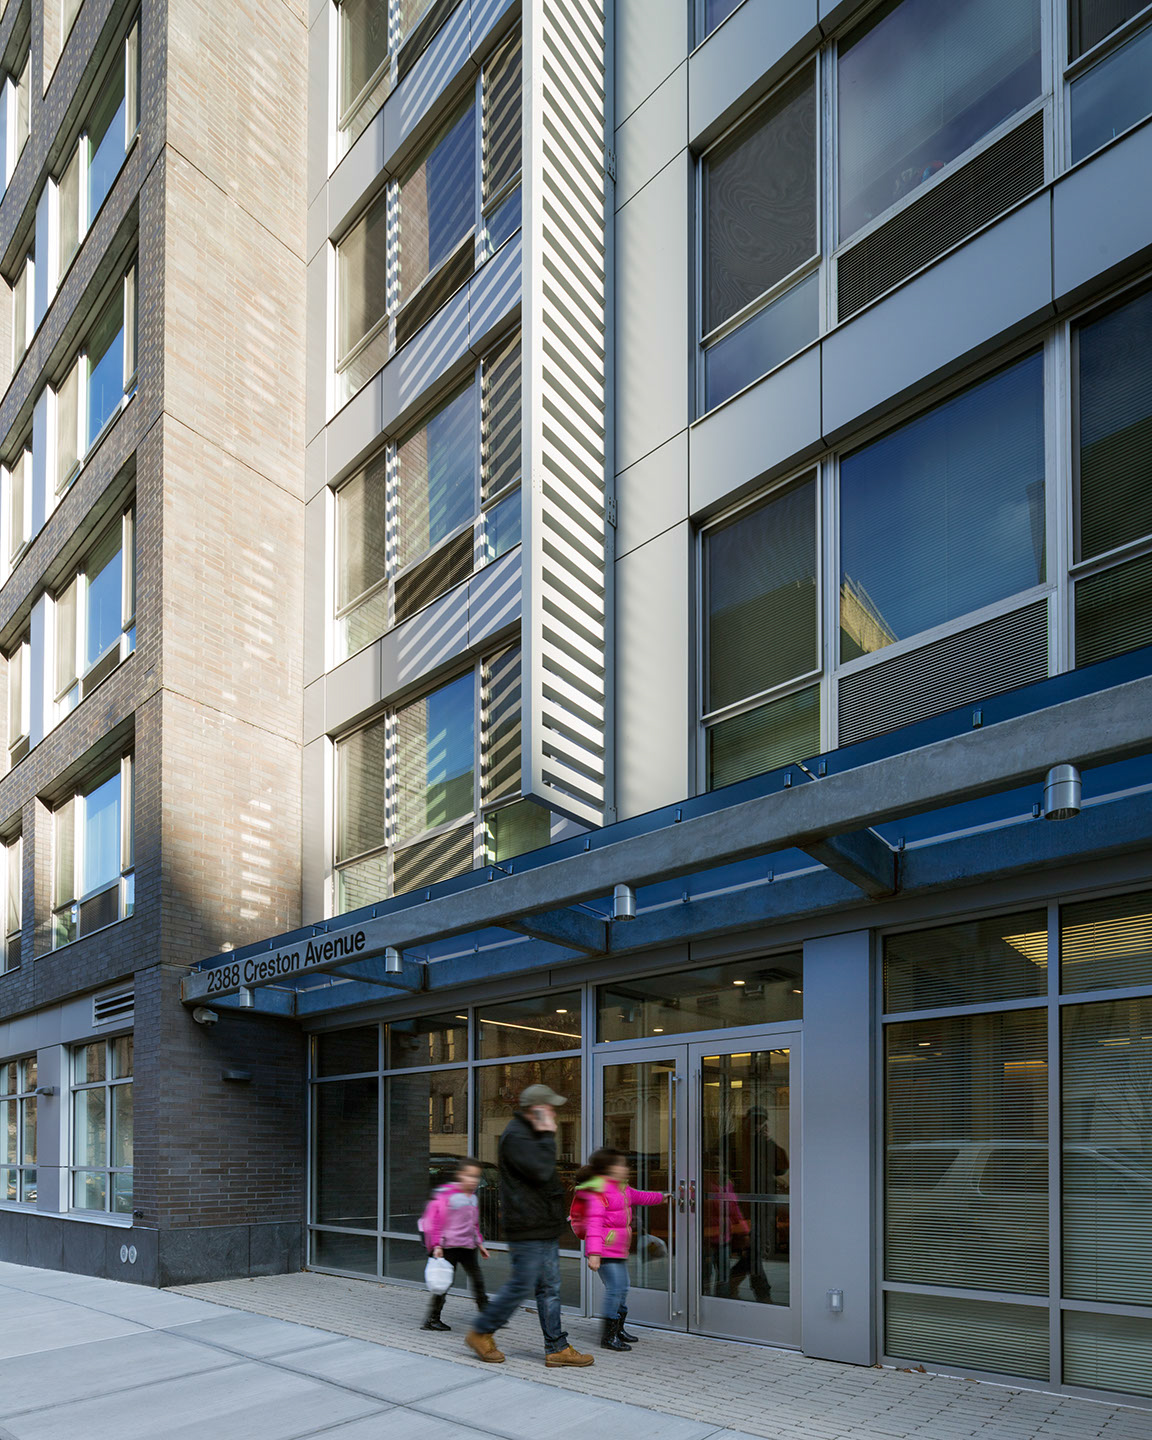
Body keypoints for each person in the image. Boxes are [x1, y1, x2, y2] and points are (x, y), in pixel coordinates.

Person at [465, 1083, 594, 1367]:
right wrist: (547, 1135)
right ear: (536, 1109)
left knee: (549, 1288)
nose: (554, 1114)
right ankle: (482, 1332)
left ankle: (557, 1347)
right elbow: (542, 1172)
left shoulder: (528, 1134)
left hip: (541, 1223)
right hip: (528, 1225)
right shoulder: (517, 1136)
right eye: (550, 1109)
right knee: (522, 1283)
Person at [571, 1147, 665, 1352]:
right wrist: (594, 1254)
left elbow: (641, 1197)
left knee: (622, 1288)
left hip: (619, 1249)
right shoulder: (599, 1192)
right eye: (622, 1164)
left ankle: (619, 1329)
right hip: (604, 1250)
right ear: (609, 1168)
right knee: (616, 1289)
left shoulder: (622, 1188)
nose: (626, 1168)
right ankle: (609, 1335)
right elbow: (594, 1225)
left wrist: (662, 1197)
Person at [419, 1157, 489, 1332]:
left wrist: (479, 1243)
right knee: (443, 1283)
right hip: (448, 1247)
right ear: (460, 1175)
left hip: (468, 1246)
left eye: (476, 1176)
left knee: (478, 1281)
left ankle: (488, 1316)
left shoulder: (473, 1198)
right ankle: (432, 1319)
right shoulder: (447, 1195)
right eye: (469, 1176)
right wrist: (437, 1245)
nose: (473, 1180)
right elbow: (436, 1222)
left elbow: (473, 1224)